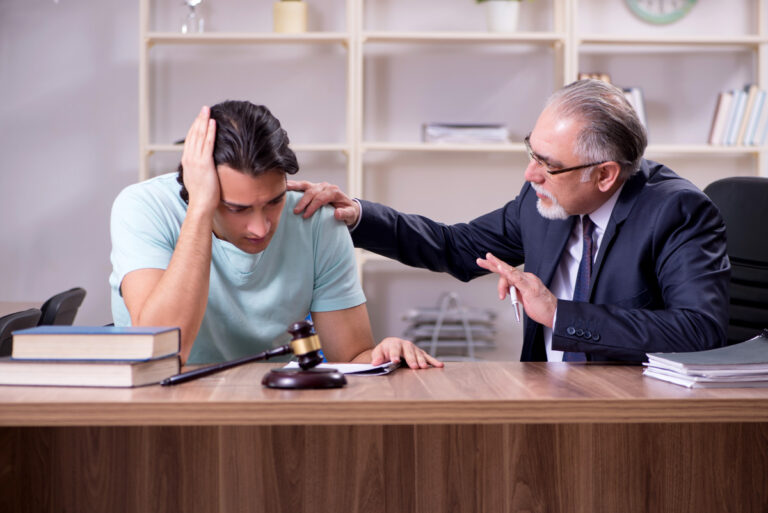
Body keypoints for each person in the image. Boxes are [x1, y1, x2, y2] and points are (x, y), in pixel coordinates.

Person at [288, 79, 730, 362]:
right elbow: (456, 247)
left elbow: (700, 327)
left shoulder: (677, 212)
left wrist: (559, 314)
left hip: (635, 409)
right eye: (531, 152)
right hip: (542, 396)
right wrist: (359, 216)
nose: (530, 173)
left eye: (548, 164)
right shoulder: (542, 197)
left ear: (606, 174)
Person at [109, 100, 442, 369]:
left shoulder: (315, 219)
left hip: (273, 409)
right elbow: (163, 349)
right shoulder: (142, 208)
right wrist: (200, 209)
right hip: (159, 409)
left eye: (273, 201)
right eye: (237, 209)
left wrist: (386, 355)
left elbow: (351, 359)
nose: (260, 228)